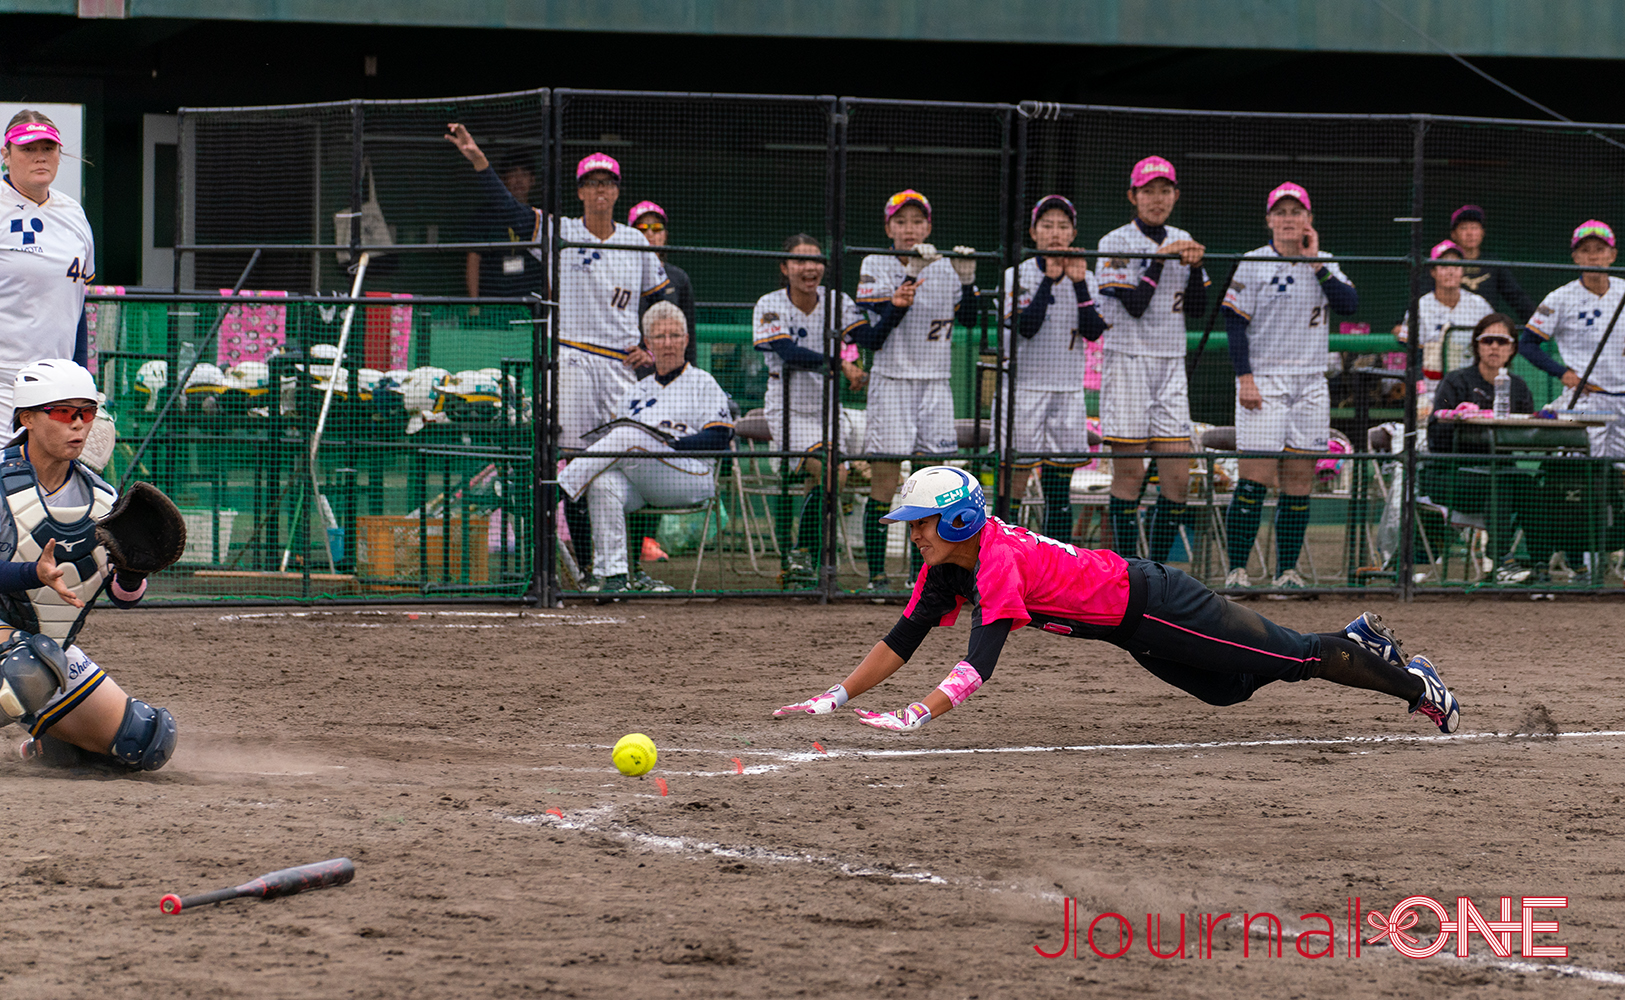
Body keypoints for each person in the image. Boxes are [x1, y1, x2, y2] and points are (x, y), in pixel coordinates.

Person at [771, 465, 1460, 738]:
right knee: (1230, 692)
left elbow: (979, 663)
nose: (912, 534)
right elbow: (905, 635)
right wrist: (834, 696)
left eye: (919, 522)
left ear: (954, 522)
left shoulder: (995, 559)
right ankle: (1359, 643)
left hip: (1159, 604)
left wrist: (917, 713)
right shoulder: (948, 562)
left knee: (1300, 658)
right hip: (1135, 629)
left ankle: (1416, 685)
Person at [3, 360, 177, 772]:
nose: (79, 425)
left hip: (47, 651)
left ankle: (52, 745)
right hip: (19, 648)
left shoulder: (104, 502)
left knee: (145, 740)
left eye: (87, 412)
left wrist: (133, 573)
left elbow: (123, 597)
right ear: (27, 418)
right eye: (64, 413)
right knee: (29, 667)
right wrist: (32, 574)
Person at [1220, 182, 1359, 593]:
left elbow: (1349, 304)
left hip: (1311, 382)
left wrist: (1315, 261)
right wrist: (1244, 376)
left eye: (1296, 212)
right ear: (1269, 220)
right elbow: (1234, 323)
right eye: (1280, 213)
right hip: (1263, 380)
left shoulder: (1325, 261)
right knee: (1255, 478)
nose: (1288, 220)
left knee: (1299, 481)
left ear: (1308, 221)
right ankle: (1238, 572)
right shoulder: (1253, 262)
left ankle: (1287, 574)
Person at [557, 302, 733, 595]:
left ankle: (559, 488)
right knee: (603, 483)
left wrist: (670, 445)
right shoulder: (635, 391)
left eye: (676, 336)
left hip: (691, 474)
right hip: (646, 479)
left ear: (687, 340)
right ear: (648, 343)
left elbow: (719, 437)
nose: (669, 344)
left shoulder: (703, 382)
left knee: (629, 435)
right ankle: (614, 576)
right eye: (661, 337)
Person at [851, 189, 979, 591]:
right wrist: (907, 279)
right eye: (901, 221)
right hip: (891, 382)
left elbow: (972, 321)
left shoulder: (944, 267)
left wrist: (969, 280)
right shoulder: (876, 262)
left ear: (929, 226)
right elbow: (874, 337)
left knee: (935, 486)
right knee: (886, 481)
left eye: (917, 221)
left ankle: (923, 578)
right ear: (888, 227)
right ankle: (876, 578)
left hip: (935, 385)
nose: (910, 229)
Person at [1095, 157, 1209, 562]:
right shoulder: (1115, 242)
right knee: (1130, 474)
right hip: (1128, 361)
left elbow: (1197, 307)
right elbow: (1136, 305)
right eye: (1148, 191)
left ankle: (1158, 573)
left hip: (1171, 363)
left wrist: (1194, 268)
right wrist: (1162, 260)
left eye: (1165, 190)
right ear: (1133, 195)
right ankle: (1130, 572)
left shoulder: (1183, 236)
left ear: (1175, 195)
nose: (1157, 198)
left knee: (1178, 478)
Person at [752, 234, 872, 586]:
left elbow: (855, 343)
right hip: (787, 408)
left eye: (816, 260)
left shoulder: (838, 302)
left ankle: (804, 560)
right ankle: (805, 555)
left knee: (830, 476)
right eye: (800, 261)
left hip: (827, 408)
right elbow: (788, 352)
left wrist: (853, 362)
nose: (810, 267)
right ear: (785, 267)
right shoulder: (770, 303)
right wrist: (839, 362)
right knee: (833, 472)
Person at [999, 194, 1107, 541]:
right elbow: (1027, 327)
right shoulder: (1016, 275)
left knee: (1060, 482)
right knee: (1013, 476)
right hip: (1023, 388)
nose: (1056, 232)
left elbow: (1093, 330)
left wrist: (1077, 283)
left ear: (1074, 233)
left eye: (1063, 226)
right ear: (1033, 232)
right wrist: (1049, 278)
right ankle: (1001, 555)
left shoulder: (1086, 276)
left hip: (1068, 389)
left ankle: (1057, 562)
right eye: (1047, 225)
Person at [1423, 313, 1537, 584]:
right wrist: (1467, 424)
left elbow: (1527, 439)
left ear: (1512, 348)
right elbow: (1436, 435)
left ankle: (1539, 564)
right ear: (1477, 346)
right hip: (1450, 475)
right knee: (1498, 481)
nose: (1494, 347)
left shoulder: (1518, 387)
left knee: (1533, 486)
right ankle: (1501, 561)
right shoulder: (1456, 381)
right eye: (1488, 340)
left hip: (1500, 476)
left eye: (1502, 341)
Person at [0, 112, 96, 431]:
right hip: (5, 385)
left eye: (48, 148)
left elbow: (77, 307)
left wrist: (82, 382)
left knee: (47, 480)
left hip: (57, 390)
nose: (40, 157)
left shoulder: (74, 214)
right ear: (6, 154)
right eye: (28, 149)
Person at [1520, 220, 1625, 459]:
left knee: (1621, 472)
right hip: (1587, 398)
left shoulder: (1623, 289)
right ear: (1575, 257)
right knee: (1585, 468)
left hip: (1624, 397)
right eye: (1585, 251)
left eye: (1600, 250)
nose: (1593, 257)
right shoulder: (1560, 298)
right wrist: (1563, 374)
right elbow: (1527, 344)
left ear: (1612, 255)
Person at [442, 126, 544, 300]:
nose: (519, 180)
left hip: (533, 299)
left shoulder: (540, 218)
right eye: (513, 174)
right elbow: (473, 259)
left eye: (524, 174)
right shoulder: (485, 215)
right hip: (494, 298)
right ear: (503, 179)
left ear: (533, 180)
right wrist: (474, 304)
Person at [1399, 240, 1494, 396]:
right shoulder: (1421, 306)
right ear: (1433, 272)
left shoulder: (1479, 305)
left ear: (1462, 271)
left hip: (1471, 386)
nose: (1450, 271)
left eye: (1456, 266)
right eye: (1444, 266)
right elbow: (1412, 354)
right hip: (1431, 389)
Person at [1425, 205, 1536, 322]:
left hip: (1485, 327)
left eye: (1474, 227)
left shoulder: (1493, 263)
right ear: (1453, 234)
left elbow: (1516, 297)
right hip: (1446, 323)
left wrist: (1537, 324)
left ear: (1483, 232)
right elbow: (1422, 295)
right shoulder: (1440, 262)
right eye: (1463, 228)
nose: (1469, 233)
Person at [629, 201, 698, 364]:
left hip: (669, 371)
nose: (650, 234)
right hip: (629, 366)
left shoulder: (679, 278)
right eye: (642, 228)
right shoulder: (619, 274)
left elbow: (690, 335)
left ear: (665, 234)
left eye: (657, 228)